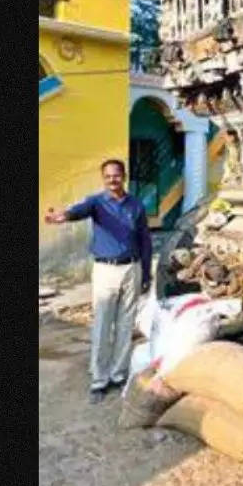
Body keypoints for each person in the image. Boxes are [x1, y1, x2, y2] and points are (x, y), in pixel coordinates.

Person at [45, 159, 153, 404]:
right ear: (103, 178)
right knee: (103, 324)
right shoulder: (96, 202)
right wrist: (62, 217)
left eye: (116, 175)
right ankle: (99, 379)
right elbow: (77, 211)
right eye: (108, 176)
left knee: (126, 324)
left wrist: (146, 273)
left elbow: (145, 239)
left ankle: (118, 374)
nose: (112, 180)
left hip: (132, 268)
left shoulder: (136, 205)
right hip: (105, 270)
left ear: (124, 176)